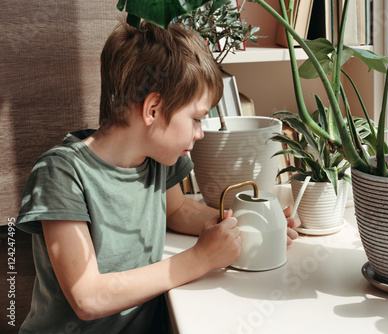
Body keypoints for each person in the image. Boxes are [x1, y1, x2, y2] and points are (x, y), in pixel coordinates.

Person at [15, 19, 300, 333]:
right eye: (195, 119)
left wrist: (253, 224)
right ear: (152, 109)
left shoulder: (155, 158)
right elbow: (88, 298)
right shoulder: (60, 174)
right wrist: (199, 259)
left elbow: (177, 211)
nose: (200, 133)